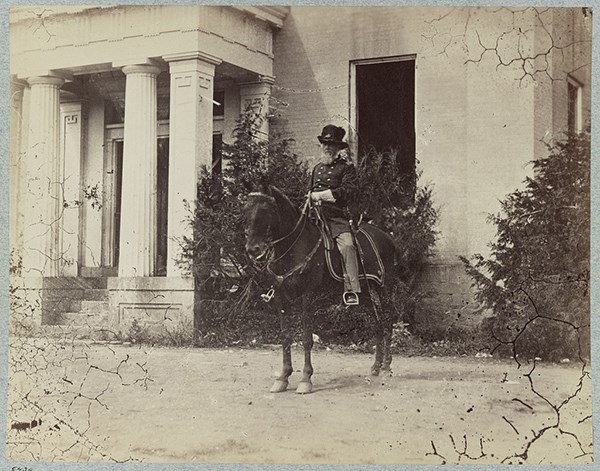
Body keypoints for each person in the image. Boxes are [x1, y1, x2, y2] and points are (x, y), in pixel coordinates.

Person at [309, 124, 361, 306]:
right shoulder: (316, 169)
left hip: (336, 218)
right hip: (314, 217)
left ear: (339, 148)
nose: (327, 147)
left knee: (347, 246)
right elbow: (309, 191)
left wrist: (323, 196)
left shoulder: (346, 168)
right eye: (325, 143)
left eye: (331, 144)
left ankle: (352, 290)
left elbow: (348, 190)